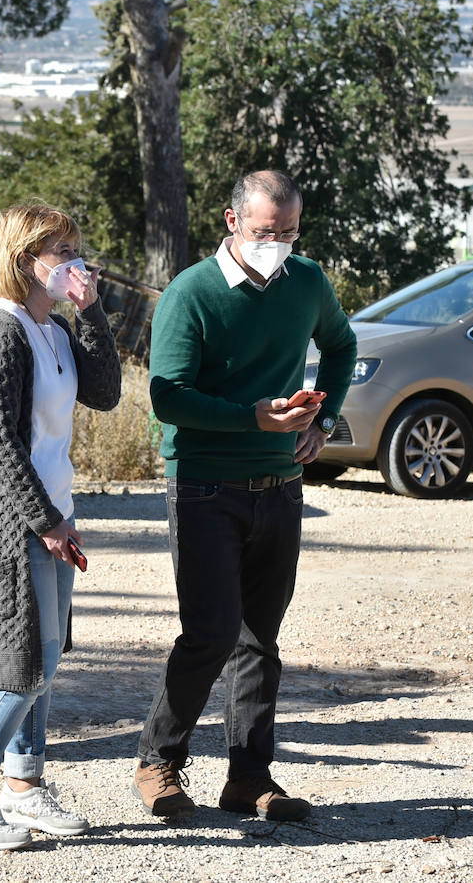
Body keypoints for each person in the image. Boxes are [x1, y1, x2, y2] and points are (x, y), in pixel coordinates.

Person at [130, 171, 357, 821]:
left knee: (260, 640)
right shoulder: (191, 294)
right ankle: (158, 762)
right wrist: (251, 418)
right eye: (265, 233)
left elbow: (341, 346)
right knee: (209, 632)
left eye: (288, 233)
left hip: (281, 488)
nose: (278, 244)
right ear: (233, 223)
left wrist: (322, 418)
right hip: (205, 487)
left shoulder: (307, 281)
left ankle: (249, 780)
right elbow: (167, 395)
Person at [0, 202, 121, 850]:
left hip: (55, 517)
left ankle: (24, 787)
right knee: (25, 667)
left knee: (48, 658)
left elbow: (107, 392)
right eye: (62, 252)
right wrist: (47, 520)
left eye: (76, 249)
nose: (75, 261)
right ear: (26, 259)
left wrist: (90, 312)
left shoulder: (55, 330)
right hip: (14, 526)